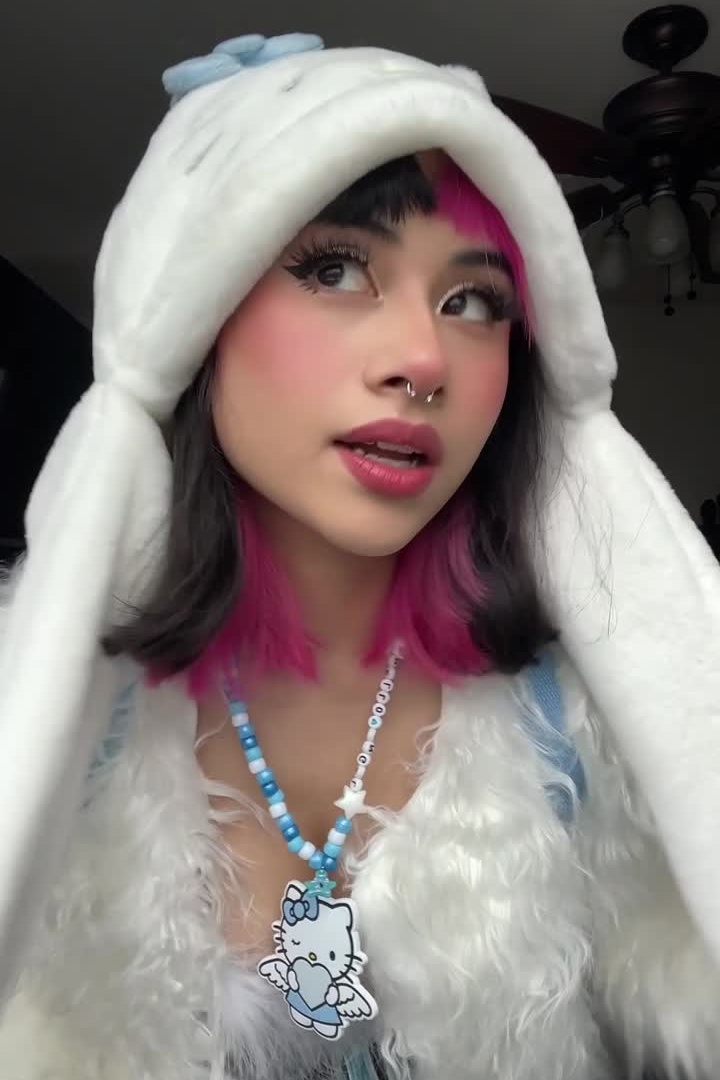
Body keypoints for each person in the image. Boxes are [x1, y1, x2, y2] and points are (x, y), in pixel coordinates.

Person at [0, 31, 719, 1080]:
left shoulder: (578, 724)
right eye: (335, 268)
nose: (425, 360)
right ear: (194, 315)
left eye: (474, 302)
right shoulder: (48, 711)